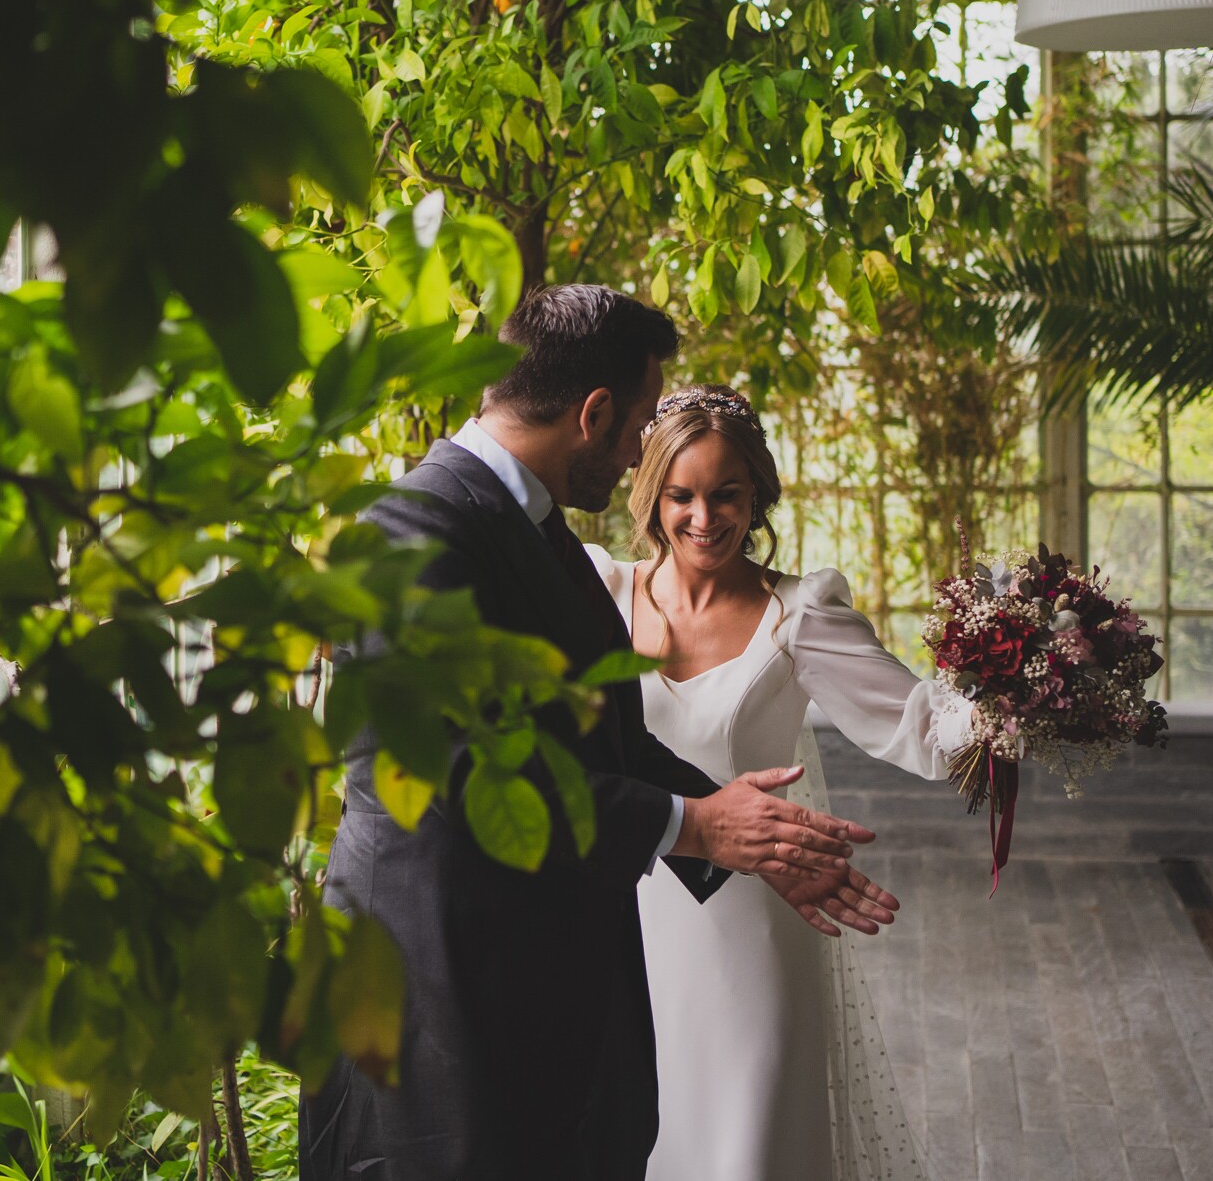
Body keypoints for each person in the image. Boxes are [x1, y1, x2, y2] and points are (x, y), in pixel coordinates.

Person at [299, 288, 900, 1181]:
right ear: (593, 412)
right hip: (438, 1014)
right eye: (636, 428)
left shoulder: (531, 526)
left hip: (528, 1003)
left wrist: (748, 835)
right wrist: (695, 826)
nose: (635, 458)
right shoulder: (415, 531)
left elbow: (588, 732)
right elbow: (456, 773)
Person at [586, 384, 974, 1181]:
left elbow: (925, 729)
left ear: (756, 492)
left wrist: (1031, 690)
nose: (704, 517)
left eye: (726, 493)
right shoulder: (597, 595)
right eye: (682, 495)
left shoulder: (798, 615)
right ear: (651, 494)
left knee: (746, 1152)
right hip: (618, 918)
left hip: (751, 931)